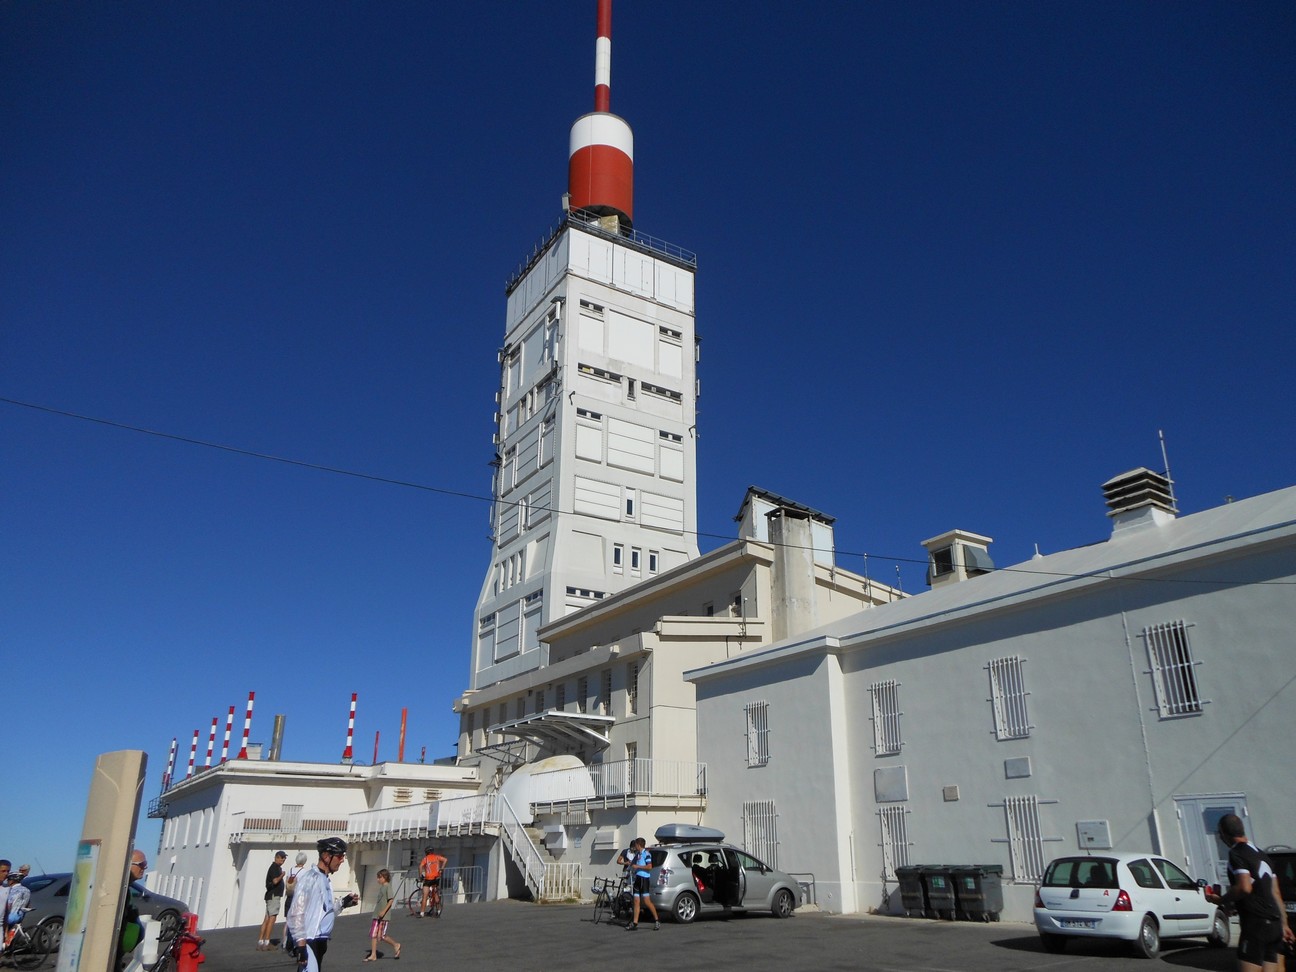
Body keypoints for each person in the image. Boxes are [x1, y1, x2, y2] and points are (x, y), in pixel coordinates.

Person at [1205, 813, 1295, 972]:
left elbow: (1244, 887)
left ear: (1223, 834)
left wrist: (1221, 900)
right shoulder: (1262, 855)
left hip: (1255, 925)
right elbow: (1276, 892)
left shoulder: (1236, 853)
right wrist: (1284, 924)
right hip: (1274, 923)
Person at [287, 837, 357, 972]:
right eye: (340, 856)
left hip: (320, 941)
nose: (342, 860)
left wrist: (343, 903)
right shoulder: (310, 878)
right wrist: (301, 945)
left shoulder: (325, 880)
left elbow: (325, 911)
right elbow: (296, 912)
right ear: (326, 856)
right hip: (309, 940)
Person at [364, 869, 400, 962]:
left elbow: (391, 900)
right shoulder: (382, 887)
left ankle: (396, 945)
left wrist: (384, 911)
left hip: (383, 916)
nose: (378, 879)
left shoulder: (388, 887)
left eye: (379, 877)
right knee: (374, 934)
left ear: (385, 877)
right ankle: (373, 954)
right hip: (377, 915)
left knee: (381, 935)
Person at [627, 837, 659, 931]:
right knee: (636, 901)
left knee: (646, 901)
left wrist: (638, 866)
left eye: (636, 845)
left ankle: (657, 920)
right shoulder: (638, 854)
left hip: (644, 879)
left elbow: (650, 866)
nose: (635, 847)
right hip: (637, 879)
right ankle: (635, 923)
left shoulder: (646, 854)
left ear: (639, 845)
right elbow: (632, 864)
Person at [257, 850, 287, 950]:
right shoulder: (275, 868)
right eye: (282, 857)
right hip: (274, 896)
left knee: (266, 918)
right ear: (276, 857)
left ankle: (261, 941)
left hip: (270, 896)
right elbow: (275, 881)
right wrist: (282, 875)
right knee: (272, 918)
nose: (283, 859)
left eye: (284, 858)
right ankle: (266, 942)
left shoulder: (274, 867)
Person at [283, 852, 309, 953]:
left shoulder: (290, 870)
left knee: (288, 921)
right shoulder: (304, 872)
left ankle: (285, 942)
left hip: (289, 897)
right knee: (298, 921)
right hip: (298, 898)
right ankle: (295, 943)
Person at [2, 871, 29, 951]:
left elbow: (8, 905)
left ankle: (4, 945)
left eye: (8, 879)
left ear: (12, 880)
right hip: (19, 915)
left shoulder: (10, 890)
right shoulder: (27, 890)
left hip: (10, 916)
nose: (7, 881)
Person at [417, 848, 447, 918]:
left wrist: (420, 875)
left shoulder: (426, 859)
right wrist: (442, 868)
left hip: (428, 879)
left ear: (426, 852)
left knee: (425, 896)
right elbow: (445, 860)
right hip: (436, 878)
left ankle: (422, 913)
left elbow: (420, 866)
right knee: (436, 894)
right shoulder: (437, 857)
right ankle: (439, 910)